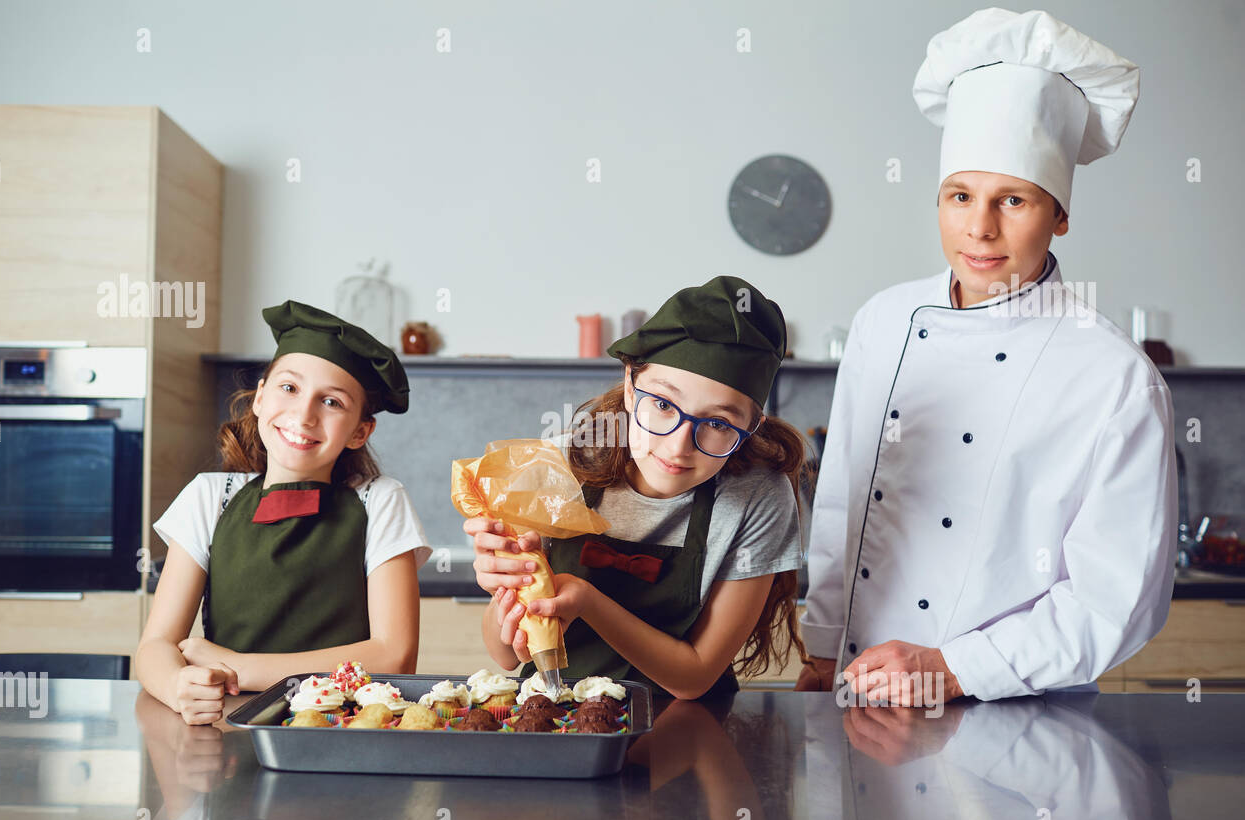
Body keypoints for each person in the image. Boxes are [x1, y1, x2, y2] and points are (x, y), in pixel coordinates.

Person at [796, 8, 1176, 703]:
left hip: (1018, 711)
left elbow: (1116, 600)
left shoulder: (1114, 377)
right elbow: (842, 502)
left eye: (1014, 200)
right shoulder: (884, 321)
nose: (979, 228)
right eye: (960, 196)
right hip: (856, 692)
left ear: (1059, 214)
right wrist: (822, 644)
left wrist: (952, 667)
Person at [466, 276, 811, 698]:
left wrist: (589, 602)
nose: (678, 447)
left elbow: (694, 677)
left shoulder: (758, 496)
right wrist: (506, 588)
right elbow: (505, 656)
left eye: (718, 424)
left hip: (685, 728)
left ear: (752, 426)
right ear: (631, 386)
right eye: (664, 405)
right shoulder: (557, 465)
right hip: (555, 717)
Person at [137, 300, 431, 724]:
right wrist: (175, 687)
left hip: (345, 729)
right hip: (229, 726)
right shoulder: (208, 497)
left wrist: (237, 665)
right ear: (260, 397)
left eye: (331, 402)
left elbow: (394, 657)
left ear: (360, 431)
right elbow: (156, 647)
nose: (304, 414)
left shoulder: (381, 501)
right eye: (289, 388)